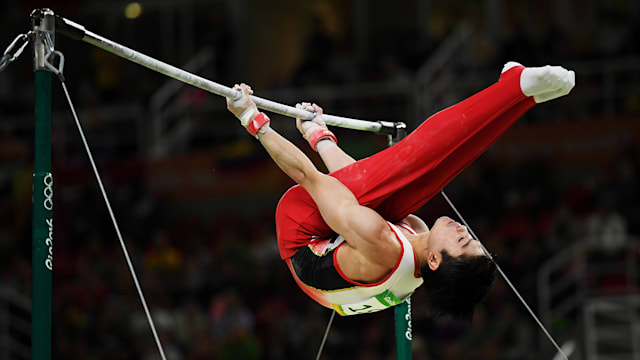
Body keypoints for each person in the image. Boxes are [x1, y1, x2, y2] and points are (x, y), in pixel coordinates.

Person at [226, 62, 575, 320]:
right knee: (427, 175)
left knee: (413, 160)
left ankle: (514, 89)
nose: (464, 230)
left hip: (300, 238)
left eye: (463, 242)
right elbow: (361, 180)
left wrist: (252, 119)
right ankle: (520, 98)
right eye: (472, 237)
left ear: (436, 260)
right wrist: (319, 134)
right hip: (349, 248)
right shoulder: (419, 236)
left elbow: (310, 178)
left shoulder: (382, 242)